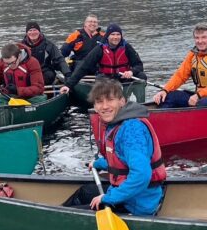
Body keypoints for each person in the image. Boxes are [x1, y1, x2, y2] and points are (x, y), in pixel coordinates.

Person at [65, 78, 165, 216]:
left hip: (137, 204)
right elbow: (121, 159)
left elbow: (141, 175)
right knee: (85, 192)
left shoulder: (131, 129)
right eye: (99, 101)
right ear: (95, 106)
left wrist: (108, 198)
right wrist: (99, 163)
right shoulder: (117, 123)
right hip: (131, 197)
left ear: (122, 101)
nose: (104, 106)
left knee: (70, 214)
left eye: (110, 100)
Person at [153, 23, 207, 108]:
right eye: (197, 38)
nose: (200, 41)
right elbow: (180, 75)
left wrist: (199, 95)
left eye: (203, 37)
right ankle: (165, 119)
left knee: (202, 103)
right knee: (169, 97)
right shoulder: (193, 54)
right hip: (200, 95)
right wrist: (165, 90)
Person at [60, 23, 146, 100]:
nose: (115, 37)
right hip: (106, 78)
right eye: (112, 34)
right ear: (107, 36)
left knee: (141, 76)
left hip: (123, 78)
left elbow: (139, 65)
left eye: (118, 34)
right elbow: (83, 67)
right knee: (102, 84)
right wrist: (68, 85)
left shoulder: (127, 47)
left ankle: (140, 103)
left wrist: (131, 72)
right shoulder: (100, 49)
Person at [0, 42, 45, 116]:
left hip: (32, 97)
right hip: (9, 96)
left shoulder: (32, 62)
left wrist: (18, 90)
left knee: (40, 102)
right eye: (6, 63)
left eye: (12, 63)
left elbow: (39, 88)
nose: (9, 66)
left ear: (19, 56)